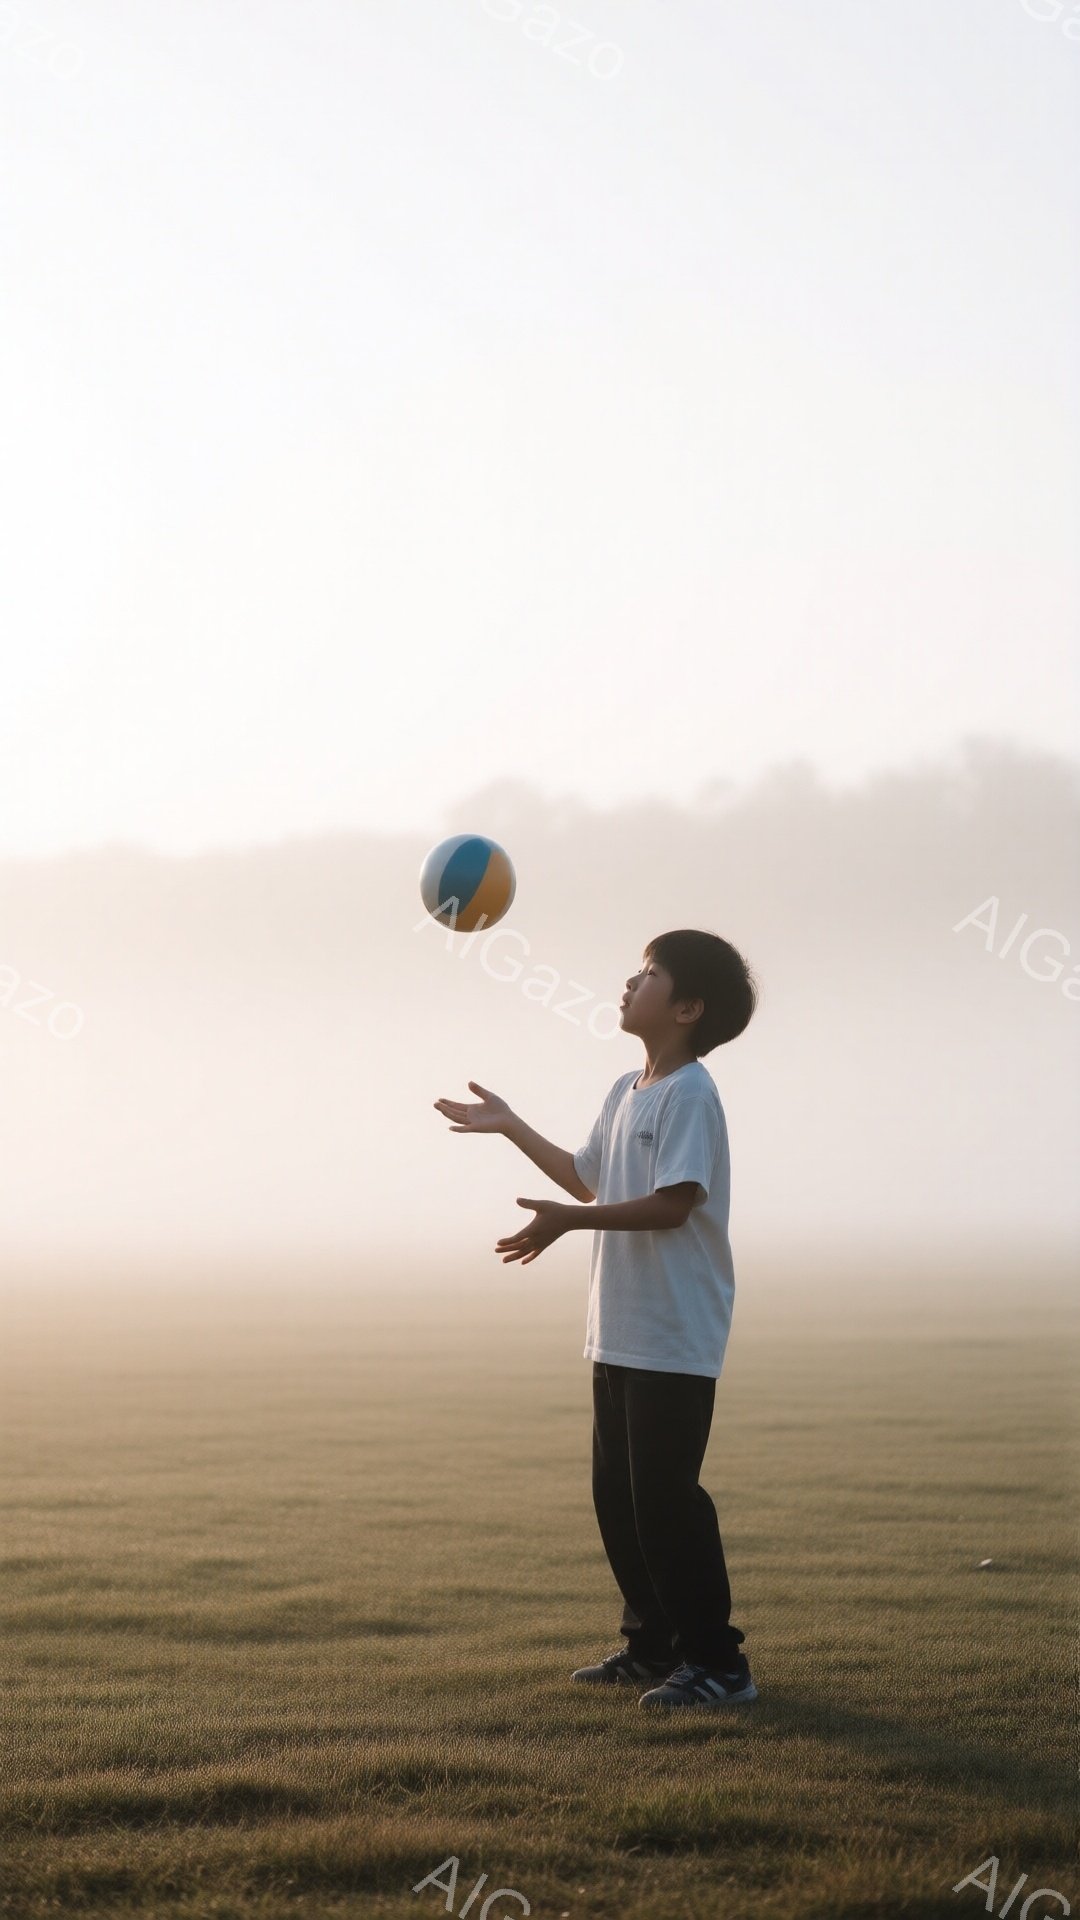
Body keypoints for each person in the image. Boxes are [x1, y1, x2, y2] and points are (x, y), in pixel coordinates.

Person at [432, 928, 759, 1711]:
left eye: (649, 975)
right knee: (618, 1496)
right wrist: (512, 1125)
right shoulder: (628, 1087)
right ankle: (652, 1648)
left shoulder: (691, 1094)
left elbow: (675, 1205)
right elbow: (587, 1179)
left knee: (667, 1499)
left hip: (674, 1332)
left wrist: (568, 1225)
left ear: (687, 1007)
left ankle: (720, 1666)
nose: (628, 983)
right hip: (618, 1330)